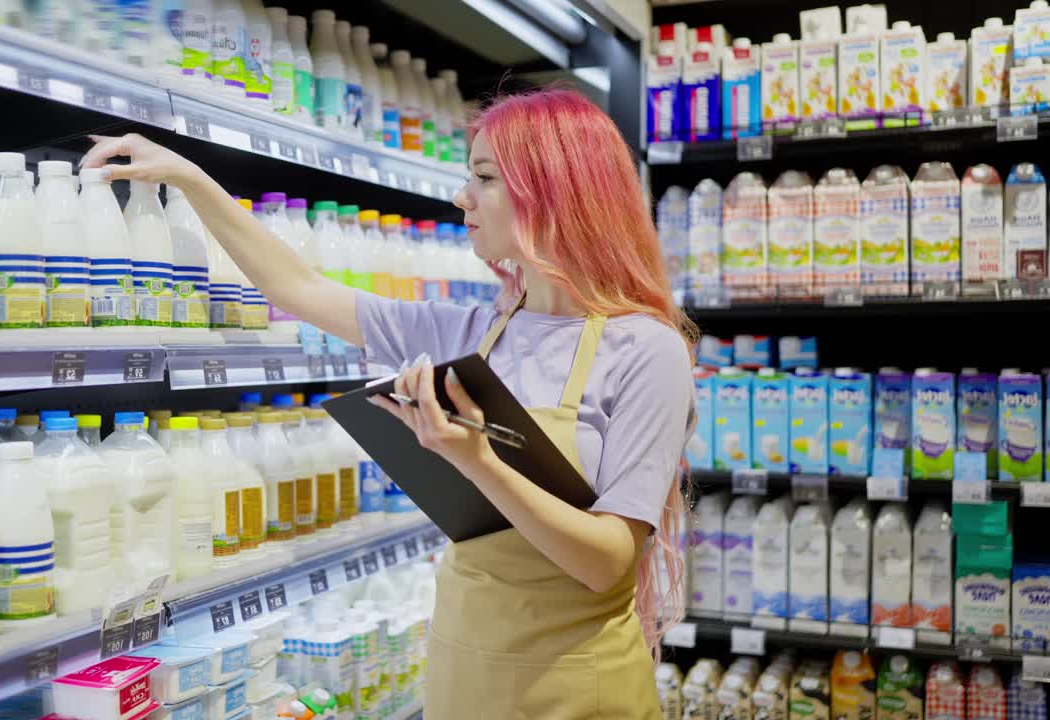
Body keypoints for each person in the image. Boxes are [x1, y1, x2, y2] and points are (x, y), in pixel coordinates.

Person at [82, 87, 695, 719]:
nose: (462, 196)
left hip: (577, 686)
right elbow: (297, 287)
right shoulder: (469, 333)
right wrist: (187, 177)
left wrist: (477, 460)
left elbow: (609, 566)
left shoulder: (646, 350)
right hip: (464, 671)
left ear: (555, 192)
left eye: (484, 177)